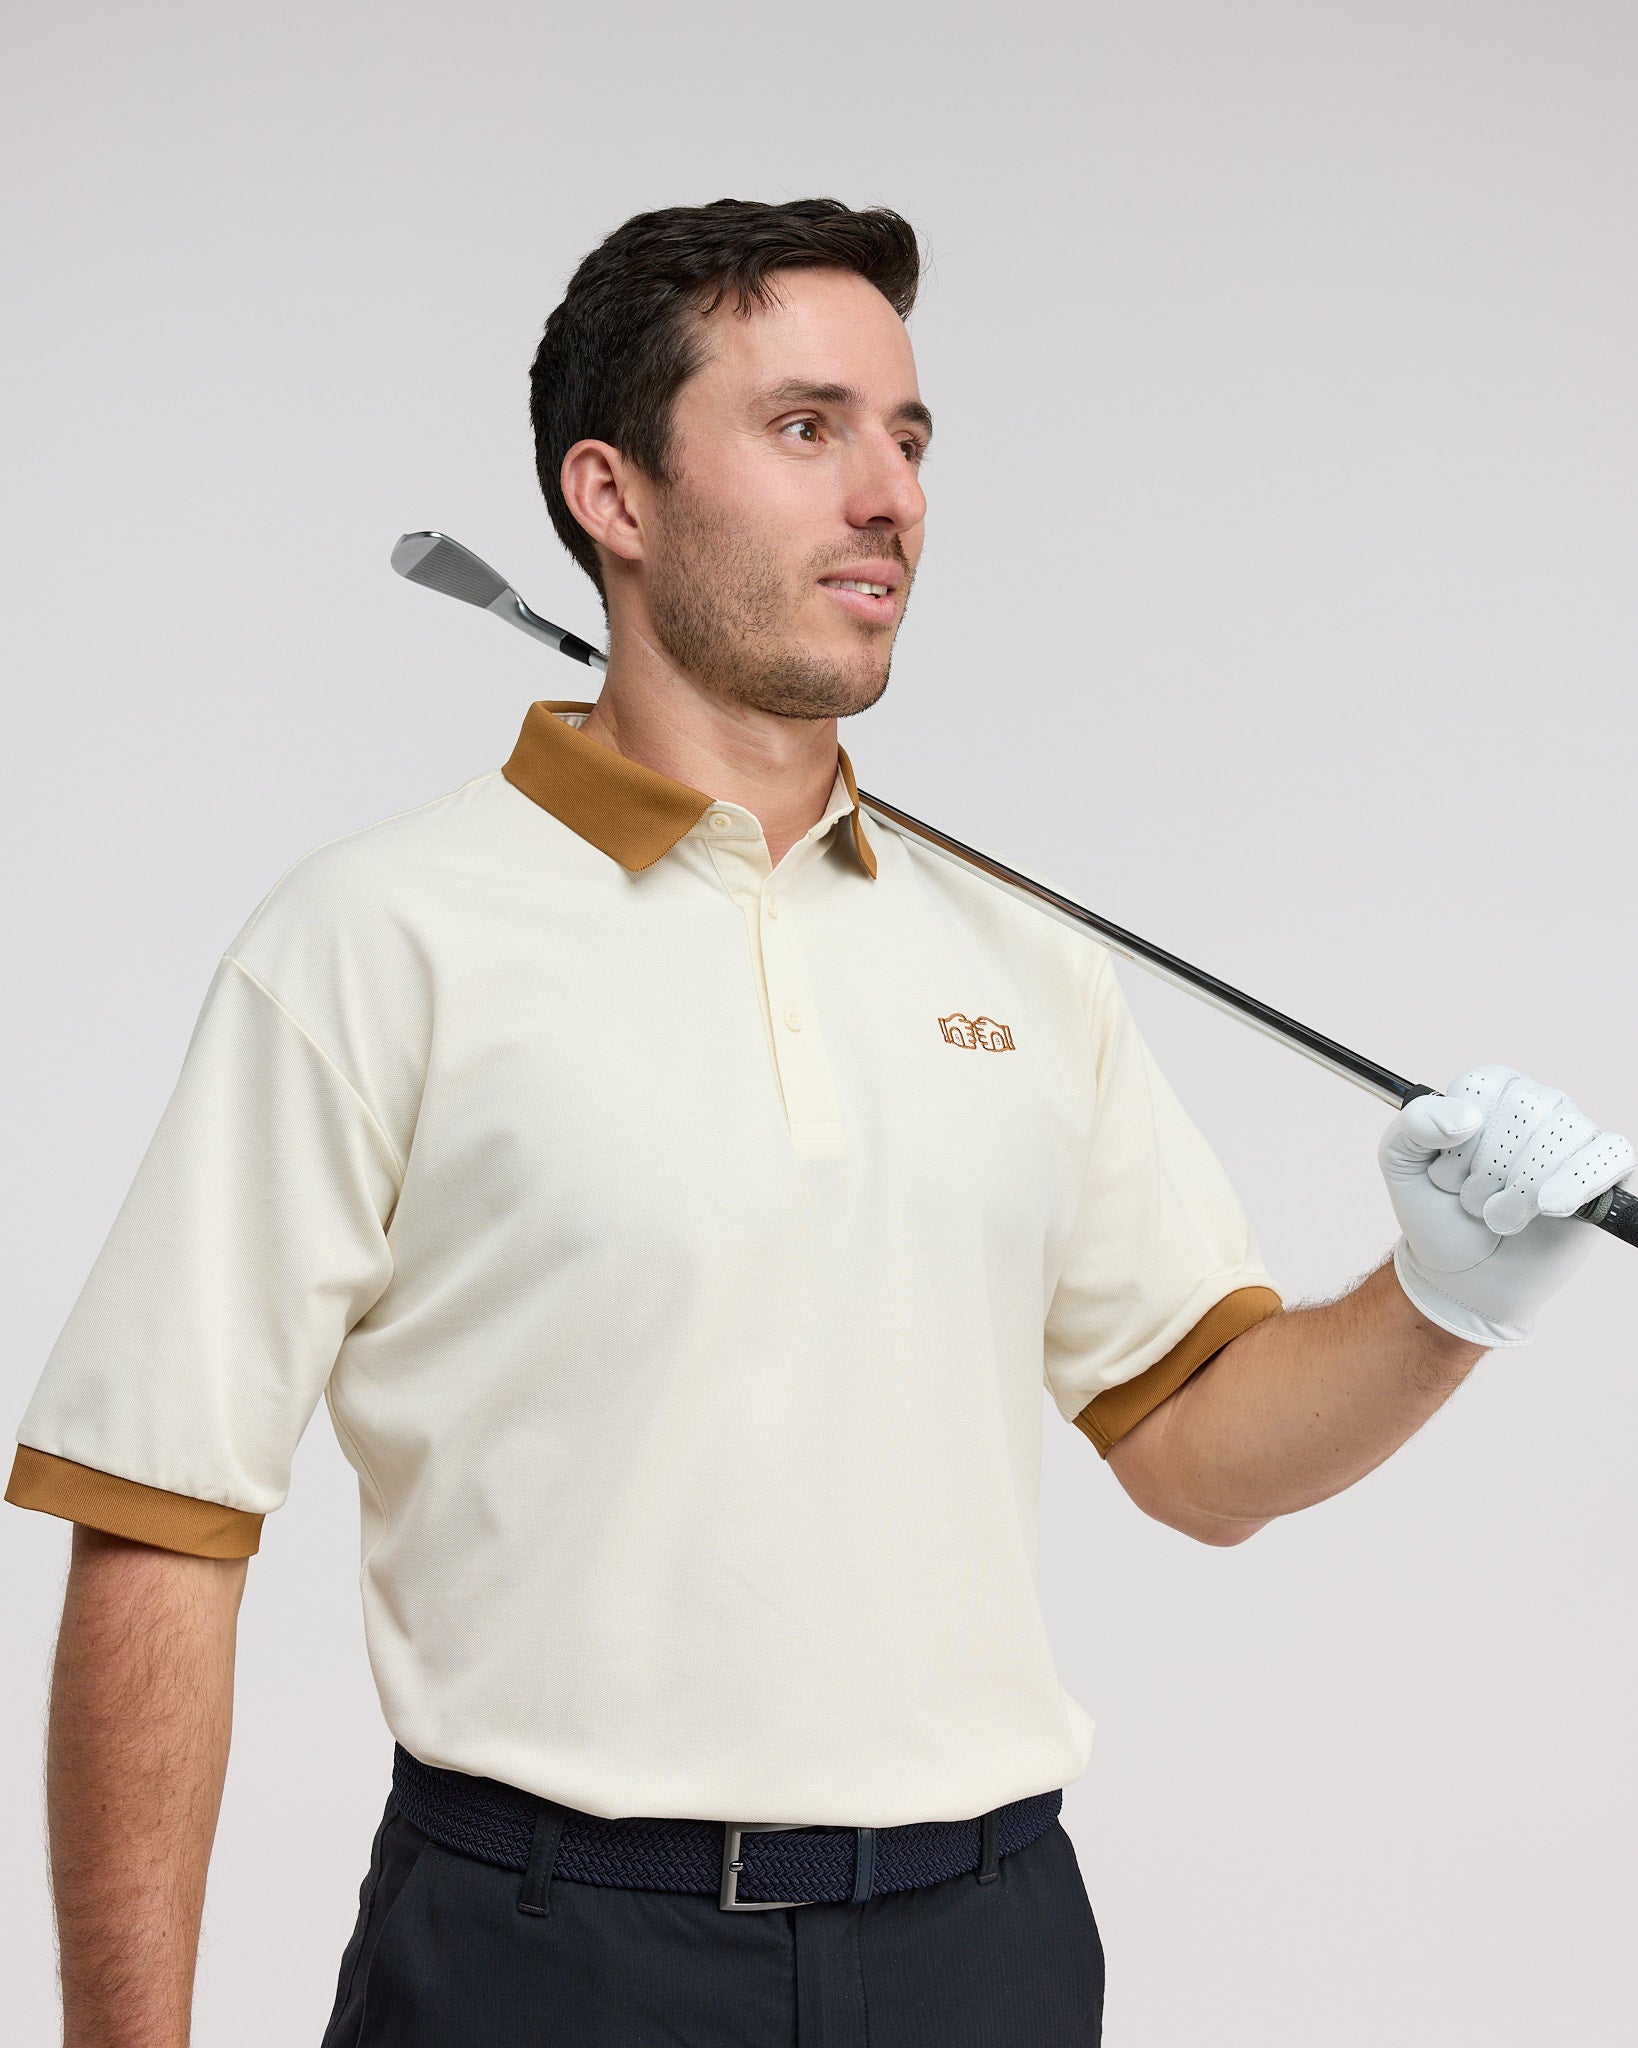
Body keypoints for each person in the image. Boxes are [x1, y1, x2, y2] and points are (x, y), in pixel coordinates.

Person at [8, 197, 1630, 2048]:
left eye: (908, 438)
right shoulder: (371, 940)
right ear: (611, 497)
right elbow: (161, 1524)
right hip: (547, 1959)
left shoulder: (1021, 956)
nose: (890, 496)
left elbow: (1194, 1452)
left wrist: (1440, 1301)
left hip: (984, 1951)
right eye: (806, 428)